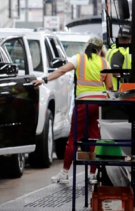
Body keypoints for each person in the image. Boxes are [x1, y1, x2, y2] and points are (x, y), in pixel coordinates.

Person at [32, 36, 113, 184]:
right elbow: (110, 87)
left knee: (73, 139)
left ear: (87, 46)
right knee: (95, 139)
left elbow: (62, 70)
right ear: (100, 49)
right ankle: (92, 174)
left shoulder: (79, 58)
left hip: (83, 103)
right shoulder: (104, 62)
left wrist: (44, 79)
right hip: (99, 104)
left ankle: (64, 173)